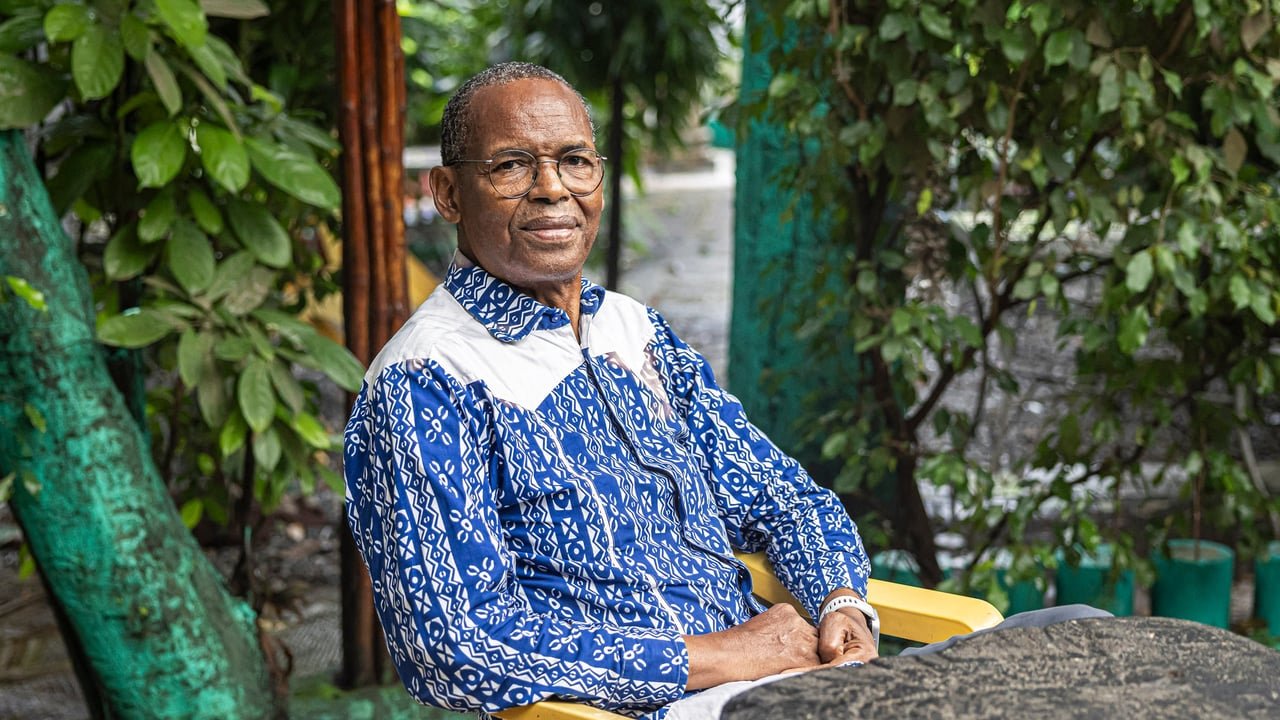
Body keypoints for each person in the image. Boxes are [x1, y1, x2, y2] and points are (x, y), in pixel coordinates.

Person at [343, 62, 1104, 720]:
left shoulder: (633, 334)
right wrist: (721, 654)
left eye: (575, 160)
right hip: (695, 703)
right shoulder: (423, 384)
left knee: (1087, 640)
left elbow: (786, 500)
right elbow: (455, 645)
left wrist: (842, 605)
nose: (553, 190)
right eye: (511, 166)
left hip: (803, 674)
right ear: (447, 193)